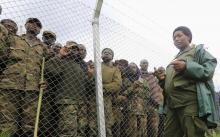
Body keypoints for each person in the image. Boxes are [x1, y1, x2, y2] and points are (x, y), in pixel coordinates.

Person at [158, 26, 218, 137]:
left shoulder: (197, 51)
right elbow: (173, 81)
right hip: (172, 105)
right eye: (174, 37)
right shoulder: (175, 58)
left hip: (189, 104)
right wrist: (163, 80)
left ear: (189, 37)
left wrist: (187, 66)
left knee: (193, 133)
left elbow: (209, 69)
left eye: (179, 35)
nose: (176, 39)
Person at [0, 18, 47, 136]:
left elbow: (46, 68)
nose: (34, 26)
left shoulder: (43, 47)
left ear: (40, 30)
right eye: (31, 23)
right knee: (7, 122)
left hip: (33, 88)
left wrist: (45, 80)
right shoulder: (13, 39)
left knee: (29, 123)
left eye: (38, 25)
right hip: (10, 85)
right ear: (25, 25)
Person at [44, 42, 87, 136]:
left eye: (76, 49)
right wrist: (60, 55)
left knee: (81, 130)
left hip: (80, 102)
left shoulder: (80, 66)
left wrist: (91, 76)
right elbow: (48, 69)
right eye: (71, 48)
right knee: (68, 131)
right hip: (67, 101)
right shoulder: (61, 62)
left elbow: (86, 84)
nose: (74, 51)